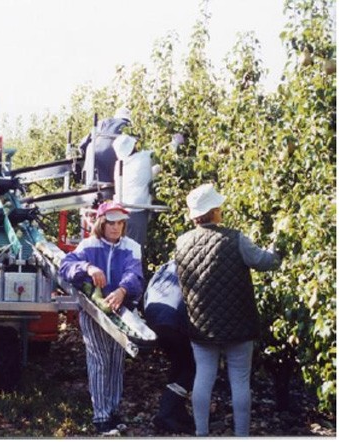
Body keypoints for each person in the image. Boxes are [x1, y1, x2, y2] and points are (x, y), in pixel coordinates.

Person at [174, 183, 282, 437]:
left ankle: (202, 434)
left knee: (203, 378)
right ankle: (241, 435)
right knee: (240, 381)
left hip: (201, 325)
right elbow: (267, 262)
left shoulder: (182, 242)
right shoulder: (236, 239)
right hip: (239, 325)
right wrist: (278, 245)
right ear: (213, 211)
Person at [58, 201, 144, 436]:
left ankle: (113, 412)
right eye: (111, 223)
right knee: (99, 360)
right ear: (101, 223)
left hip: (119, 312)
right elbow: (65, 267)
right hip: (93, 312)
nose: (115, 228)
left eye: (120, 223)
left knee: (116, 362)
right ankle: (101, 417)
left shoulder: (132, 247)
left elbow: (134, 273)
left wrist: (123, 290)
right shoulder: (88, 245)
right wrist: (88, 267)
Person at [143, 260, 195, 434]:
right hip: (174, 318)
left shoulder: (167, 265)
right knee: (192, 367)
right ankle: (166, 412)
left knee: (178, 362)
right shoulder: (196, 266)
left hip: (154, 315)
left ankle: (176, 411)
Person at [112, 133, 160, 248]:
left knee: (122, 248)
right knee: (134, 250)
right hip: (136, 211)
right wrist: (176, 142)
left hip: (120, 209)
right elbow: (164, 153)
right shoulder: (144, 157)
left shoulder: (118, 165)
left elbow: (139, 177)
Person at [78, 106, 131, 184]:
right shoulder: (129, 127)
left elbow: (83, 144)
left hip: (93, 154)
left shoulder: (102, 122)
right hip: (112, 156)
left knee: (91, 184)